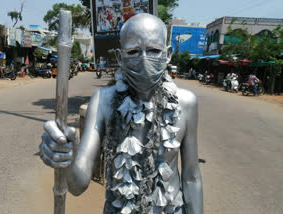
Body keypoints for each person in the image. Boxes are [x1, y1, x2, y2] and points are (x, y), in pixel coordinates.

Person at [39, 14, 203, 214]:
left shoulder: (186, 102)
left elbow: (191, 177)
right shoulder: (103, 101)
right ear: (119, 57)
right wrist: (67, 158)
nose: (144, 60)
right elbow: (78, 185)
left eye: (153, 50)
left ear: (168, 54)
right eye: (133, 51)